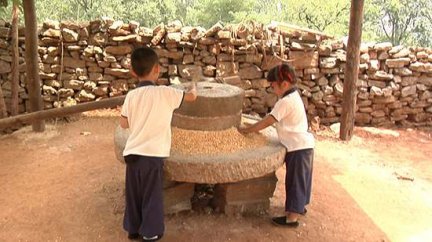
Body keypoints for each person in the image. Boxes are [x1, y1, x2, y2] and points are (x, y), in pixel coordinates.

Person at [119, 46, 197, 241]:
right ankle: (151, 233)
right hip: (152, 156)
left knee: (134, 194)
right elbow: (191, 97)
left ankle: (133, 229)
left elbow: (123, 122)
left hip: (132, 154)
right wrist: (193, 86)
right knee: (151, 195)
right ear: (157, 69)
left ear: (133, 72)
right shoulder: (165, 93)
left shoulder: (131, 96)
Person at [238, 63, 314, 227]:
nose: (273, 90)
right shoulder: (294, 96)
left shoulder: (285, 102)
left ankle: (292, 218)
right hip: (304, 145)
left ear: (284, 84)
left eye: (273, 86)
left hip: (297, 147)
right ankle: (299, 207)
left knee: (294, 181)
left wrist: (247, 130)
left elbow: (268, 121)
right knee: (302, 180)